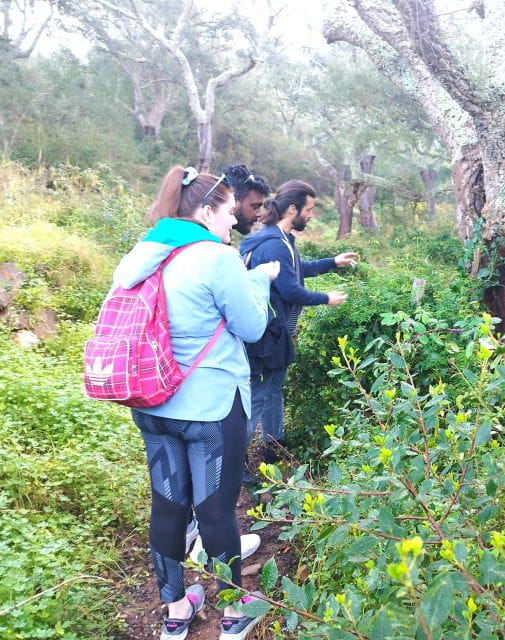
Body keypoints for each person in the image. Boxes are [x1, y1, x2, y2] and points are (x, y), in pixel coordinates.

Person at [114, 165, 279, 640]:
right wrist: (260, 281)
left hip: (150, 401)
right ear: (206, 210)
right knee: (214, 511)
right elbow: (250, 327)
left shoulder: (143, 254)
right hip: (209, 407)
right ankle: (233, 610)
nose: (233, 222)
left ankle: (175, 609)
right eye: (229, 211)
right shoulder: (215, 257)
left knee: (167, 508)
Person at [239, 180, 357, 468]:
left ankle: (273, 444)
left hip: (274, 332)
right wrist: (326, 298)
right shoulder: (275, 244)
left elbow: (295, 270)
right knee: (259, 395)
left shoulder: (276, 238)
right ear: (292, 209)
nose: (311, 215)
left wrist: (333, 262)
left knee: (273, 390)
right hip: (267, 336)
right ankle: (236, 460)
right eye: (309, 209)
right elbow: (291, 290)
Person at [222, 163, 272, 235]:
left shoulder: (222, 235)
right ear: (233, 199)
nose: (259, 215)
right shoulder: (206, 241)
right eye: (255, 207)